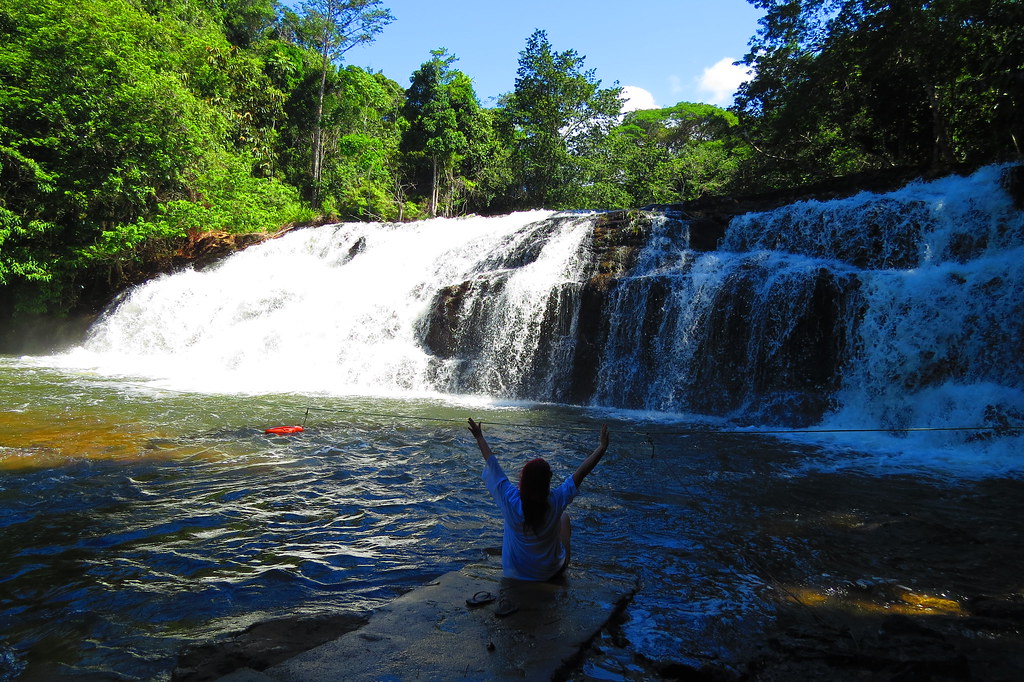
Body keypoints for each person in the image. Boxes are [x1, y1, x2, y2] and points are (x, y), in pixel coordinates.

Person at [467, 417, 610, 581]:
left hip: (514, 574)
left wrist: (479, 437)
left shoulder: (509, 498)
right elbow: (581, 473)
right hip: (549, 574)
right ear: (547, 482)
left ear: (523, 480)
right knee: (563, 518)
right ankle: (556, 560)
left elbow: (492, 462)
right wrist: (602, 447)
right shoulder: (555, 500)